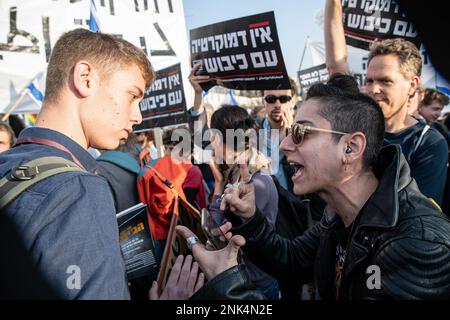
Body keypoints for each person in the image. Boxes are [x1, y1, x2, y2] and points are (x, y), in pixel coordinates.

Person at [166, 82, 450, 300]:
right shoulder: (338, 214)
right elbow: (292, 260)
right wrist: (251, 219)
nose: (284, 145)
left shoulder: (419, 243)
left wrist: (227, 281)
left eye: (301, 133)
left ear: (350, 148)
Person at [0, 28, 154, 299]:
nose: (138, 116)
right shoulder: (80, 189)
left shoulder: (6, 162)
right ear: (85, 79)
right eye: (132, 96)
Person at [324, 0, 448, 206]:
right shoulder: (358, 126)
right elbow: (335, 66)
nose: (374, 89)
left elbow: (420, 218)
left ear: (412, 85)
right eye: (370, 80)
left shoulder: (428, 144)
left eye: (385, 81)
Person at [208, 105, 280, 299]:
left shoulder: (256, 182)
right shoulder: (237, 175)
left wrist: (217, 186)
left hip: (256, 286)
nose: (209, 143)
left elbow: (215, 234)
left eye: (212, 135)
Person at [259, 78, 298, 192]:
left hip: (294, 205)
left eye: (283, 99)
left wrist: (290, 141)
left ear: (293, 101)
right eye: (271, 99)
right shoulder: (252, 131)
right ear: (263, 101)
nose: (277, 104)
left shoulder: (305, 134)